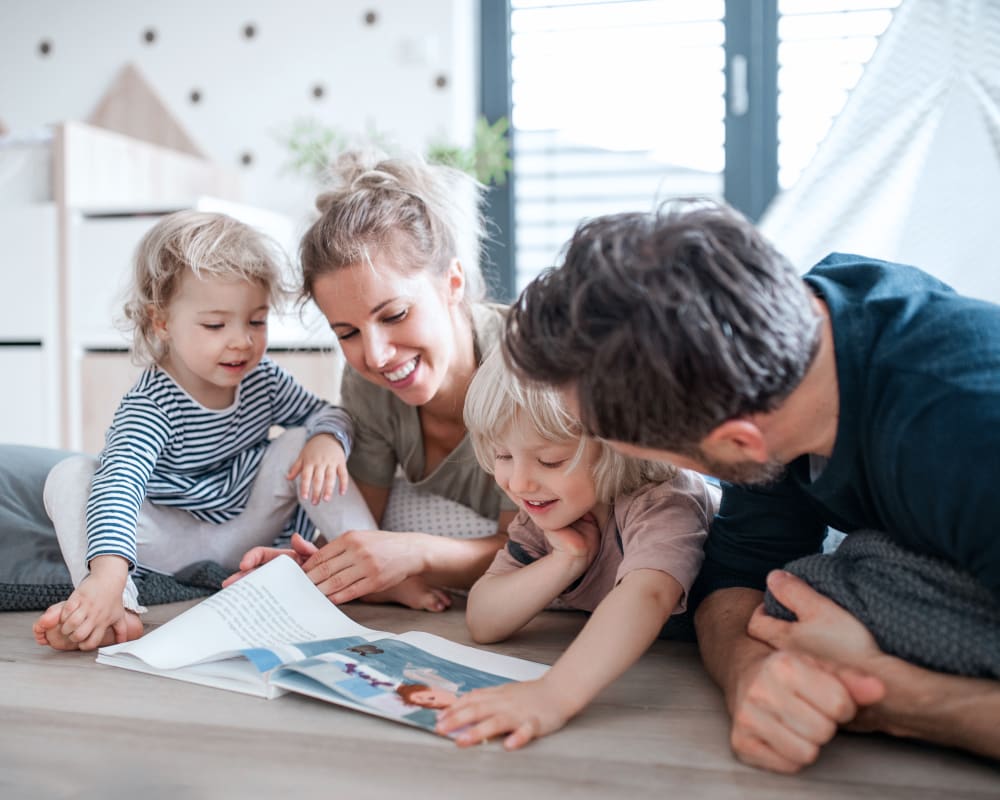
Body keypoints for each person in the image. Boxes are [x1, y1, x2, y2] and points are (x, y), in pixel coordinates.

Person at [501, 199, 1000, 769]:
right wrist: (749, 674)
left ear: (740, 445)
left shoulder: (966, 432)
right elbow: (735, 576)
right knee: (790, 601)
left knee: (828, 592)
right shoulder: (771, 361)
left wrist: (889, 697)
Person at [32, 210, 377, 651]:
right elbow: (120, 484)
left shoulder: (263, 379)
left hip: (243, 530)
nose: (241, 341)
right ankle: (111, 600)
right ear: (162, 323)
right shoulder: (151, 405)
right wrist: (109, 572)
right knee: (72, 475)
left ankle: (365, 560)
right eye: (216, 325)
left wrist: (327, 438)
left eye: (256, 321)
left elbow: (325, 413)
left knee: (304, 441)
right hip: (166, 540)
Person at [228, 151, 517, 609]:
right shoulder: (368, 388)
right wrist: (310, 569)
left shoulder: (522, 368)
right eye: (348, 333)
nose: (378, 356)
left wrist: (413, 551)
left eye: (396, 314)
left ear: (453, 283)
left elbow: (528, 547)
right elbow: (361, 528)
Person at [434, 348, 719, 749]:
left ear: (618, 445)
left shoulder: (662, 497)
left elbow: (649, 594)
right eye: (503, 455)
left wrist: (552, 694)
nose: (519, 483)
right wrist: (566, 561)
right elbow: (483, 620)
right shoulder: (544, 510)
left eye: (550, 461)